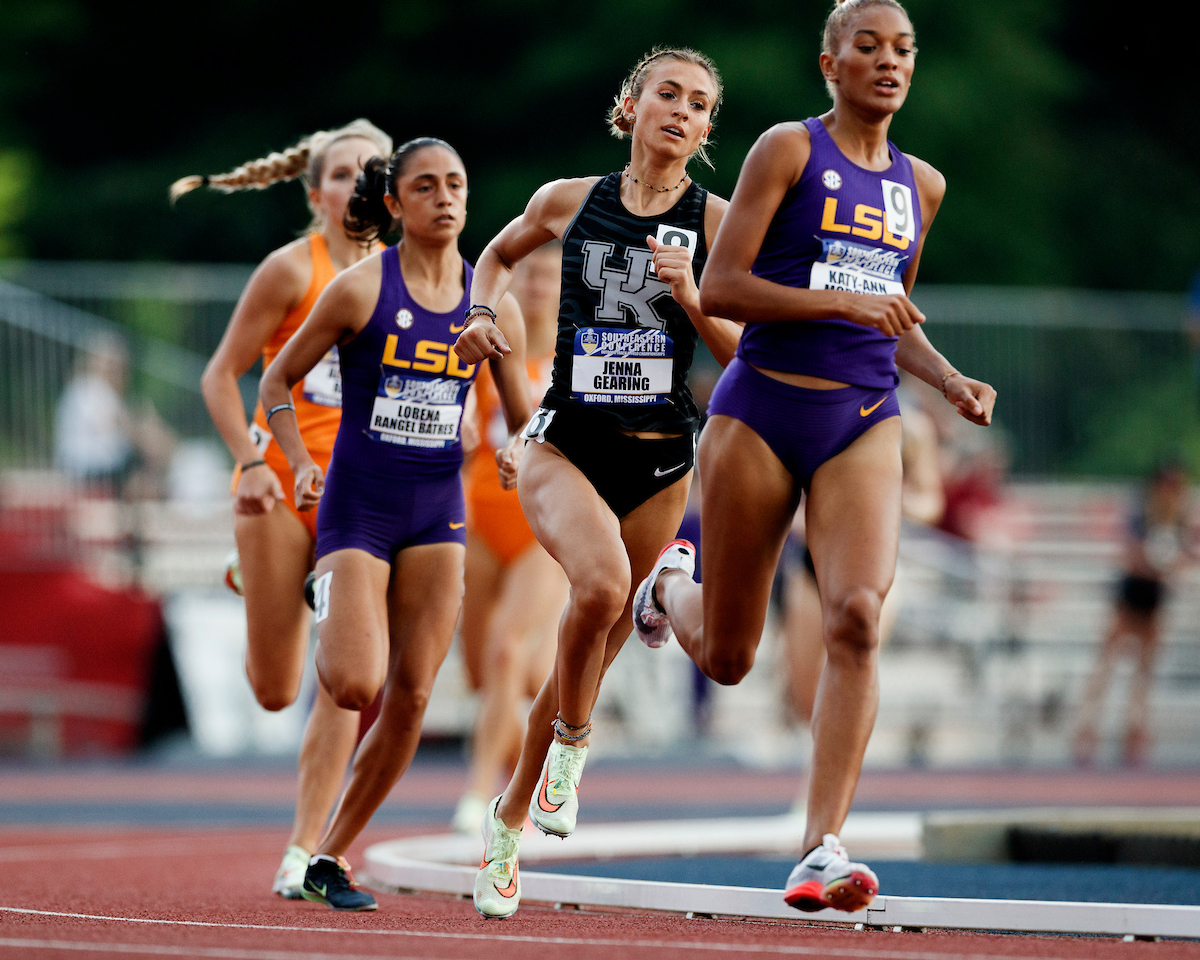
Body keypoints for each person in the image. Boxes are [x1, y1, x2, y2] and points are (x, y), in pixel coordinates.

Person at [631, 0, 996, 914]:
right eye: (866, 47)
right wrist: (840, 306)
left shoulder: (927, 185)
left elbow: (891, 315)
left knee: (859, 619)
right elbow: (723, 286)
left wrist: (949, 380)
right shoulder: (786, 150)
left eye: (902, 49)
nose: (887, 61)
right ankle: (668, 587)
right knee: (726, 658)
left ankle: (821, 847)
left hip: (864, 419)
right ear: (829, 64)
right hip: (761, 412)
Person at [454, 46, 742, 919]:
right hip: (566, 438)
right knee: (604, 584)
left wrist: (693, 296)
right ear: (631, 103)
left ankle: (508, 828)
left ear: (706, 129)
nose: (682, 111)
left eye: (699, 104)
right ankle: (575, 746)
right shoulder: (568, 199)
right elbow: (495, 258)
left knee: (590, 643)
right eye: (669, 94)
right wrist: (476, 314)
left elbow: (742, 357)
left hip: (660, 456)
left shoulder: (720, 220)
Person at [259, 137, 532, 911]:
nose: (445, 198)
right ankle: (334, 595)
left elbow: (522, 420)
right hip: (360, 504)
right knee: (354, 682)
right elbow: (277, 377)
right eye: (426, 187)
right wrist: (294, 458)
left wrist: (518, 452)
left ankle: (329, 855)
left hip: (438, 508)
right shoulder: (357, 291)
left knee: (412, 698)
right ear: (395, 204)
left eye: (456, 184)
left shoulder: (491, 299)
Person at [177, 119, 393, 898]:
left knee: (346, 680)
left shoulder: (413, 275)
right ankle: (263, 573)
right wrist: (247, 463)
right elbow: (219, 375)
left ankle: (303, 849)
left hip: (360, 498)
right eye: (340, 173)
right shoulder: (288, 270)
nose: (356, 182)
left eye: (372, 170)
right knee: (273, 689)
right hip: (279, 482)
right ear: (315, 193)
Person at [452, 242, 570, 835]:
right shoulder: (488, 348)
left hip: (542, 527)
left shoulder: (580, 357)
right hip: (479, 517)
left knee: (506, 649)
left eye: (552, 276)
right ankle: (557, 742)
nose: (539, 287)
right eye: (529, 276)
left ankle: (482, 796)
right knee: (489, 672)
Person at [1074, 458, 1195, 766]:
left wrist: (1171, 564)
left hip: (1154, 598)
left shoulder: (1179, 517)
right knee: (1107, 664)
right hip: (1130, 596)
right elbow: (1128, 553)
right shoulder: (1141, 512)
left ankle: (1135, 728)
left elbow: (1184, 556)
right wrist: (1152, 564)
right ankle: (1087, 727)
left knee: (1144, 670)